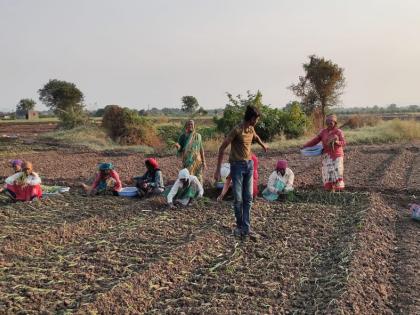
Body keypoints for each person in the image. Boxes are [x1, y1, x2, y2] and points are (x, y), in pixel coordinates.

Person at [214, 105, 268, 239]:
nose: (257, 121)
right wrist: (217, 170)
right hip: (237, 166)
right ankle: (239, 226)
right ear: (251, 118)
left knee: (248, 198)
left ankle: (246, 227)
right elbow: (221, 148)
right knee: (238, 199)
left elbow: (256, 137)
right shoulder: (237, 130)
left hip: (249, 165)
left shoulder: (251, 128)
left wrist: (263, 145)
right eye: (256, 119)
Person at [303, 114, 346, 191]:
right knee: (327, 172)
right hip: (327, 156)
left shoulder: (339, 132)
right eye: (327, 122)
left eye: (331, 123)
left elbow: (343, 142)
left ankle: (338, 190)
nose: (329, 124)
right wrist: (305, 146)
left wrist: (336, 142)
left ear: (335, 123)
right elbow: (315, 140)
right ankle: (329, 189)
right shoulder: (323, 132)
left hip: (337, 156)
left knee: (337, 172)